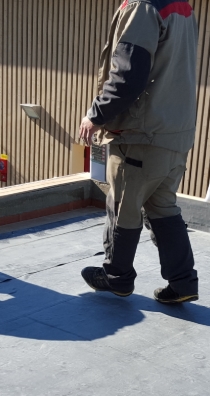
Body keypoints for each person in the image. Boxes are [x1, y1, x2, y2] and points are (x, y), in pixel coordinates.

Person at [79, 0, 199, 304]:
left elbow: (128, 73)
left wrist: (96, 114)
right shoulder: (181, 8)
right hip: (174, 133)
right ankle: (183, 282)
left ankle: (117, 276)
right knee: (163, 207)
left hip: (141, 133)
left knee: (123, 207)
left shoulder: (143, 7)